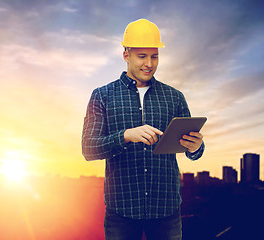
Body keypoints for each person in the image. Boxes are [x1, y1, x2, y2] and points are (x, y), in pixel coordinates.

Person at [82, 19, 205, 240]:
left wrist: (196, 147)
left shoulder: (174, 97)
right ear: (126, 55)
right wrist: (125, 136)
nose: (149, 63)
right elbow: (89, 149)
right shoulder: (102, 96)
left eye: (154, 56)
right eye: (142, 56)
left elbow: (193, 151)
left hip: (166, 210)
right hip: (121, 211)